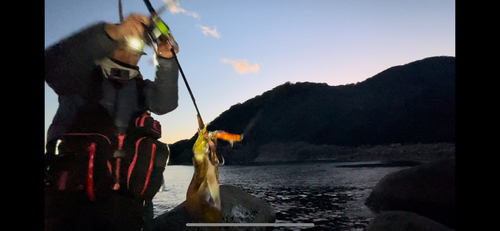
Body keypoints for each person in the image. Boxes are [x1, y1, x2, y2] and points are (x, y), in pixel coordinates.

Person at [45, 13, 179, 231]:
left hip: (131, 213)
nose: (132, 52)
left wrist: (167, 60)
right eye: (126, 43)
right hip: (71, 211)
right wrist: (111, 32)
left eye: (138, 49)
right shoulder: (78, 79)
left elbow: (166, 103)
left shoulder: (141, 89)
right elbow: (51, 65)